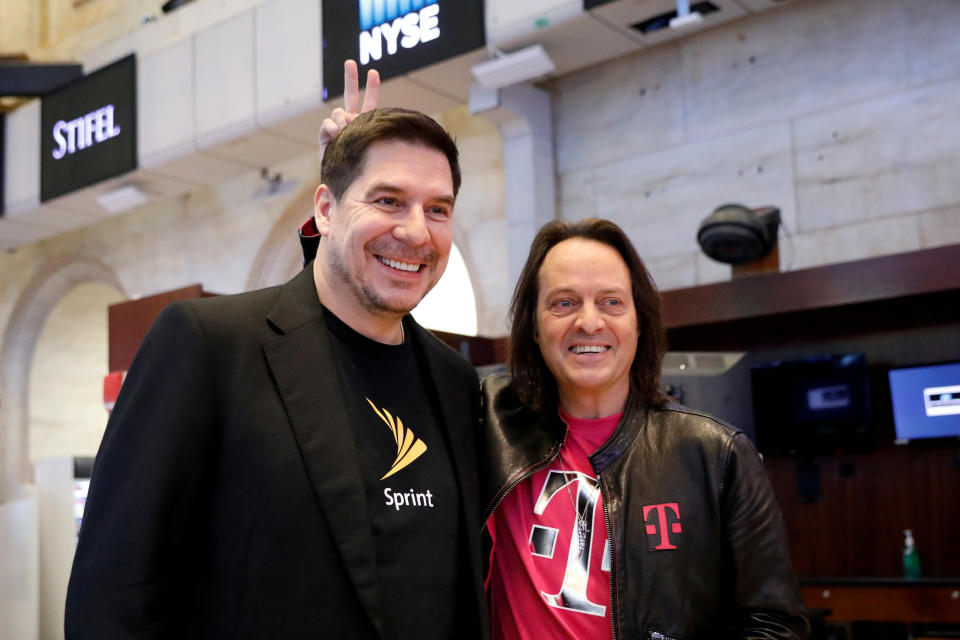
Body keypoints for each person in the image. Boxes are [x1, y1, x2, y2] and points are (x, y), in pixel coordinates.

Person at [65, 61, 488, 639]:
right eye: (388, 199)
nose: (416, 231)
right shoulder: (209, 347)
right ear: (325, 209)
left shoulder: (455, 383)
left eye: (437, 208)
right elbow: (114, 594)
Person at [480, 218, 810, 639]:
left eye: (611, 302)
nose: (589, 322)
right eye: (563, 303)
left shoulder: (716, 454)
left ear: (640, 322)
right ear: (533, 325)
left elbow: (775, 624)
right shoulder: (487, 422)